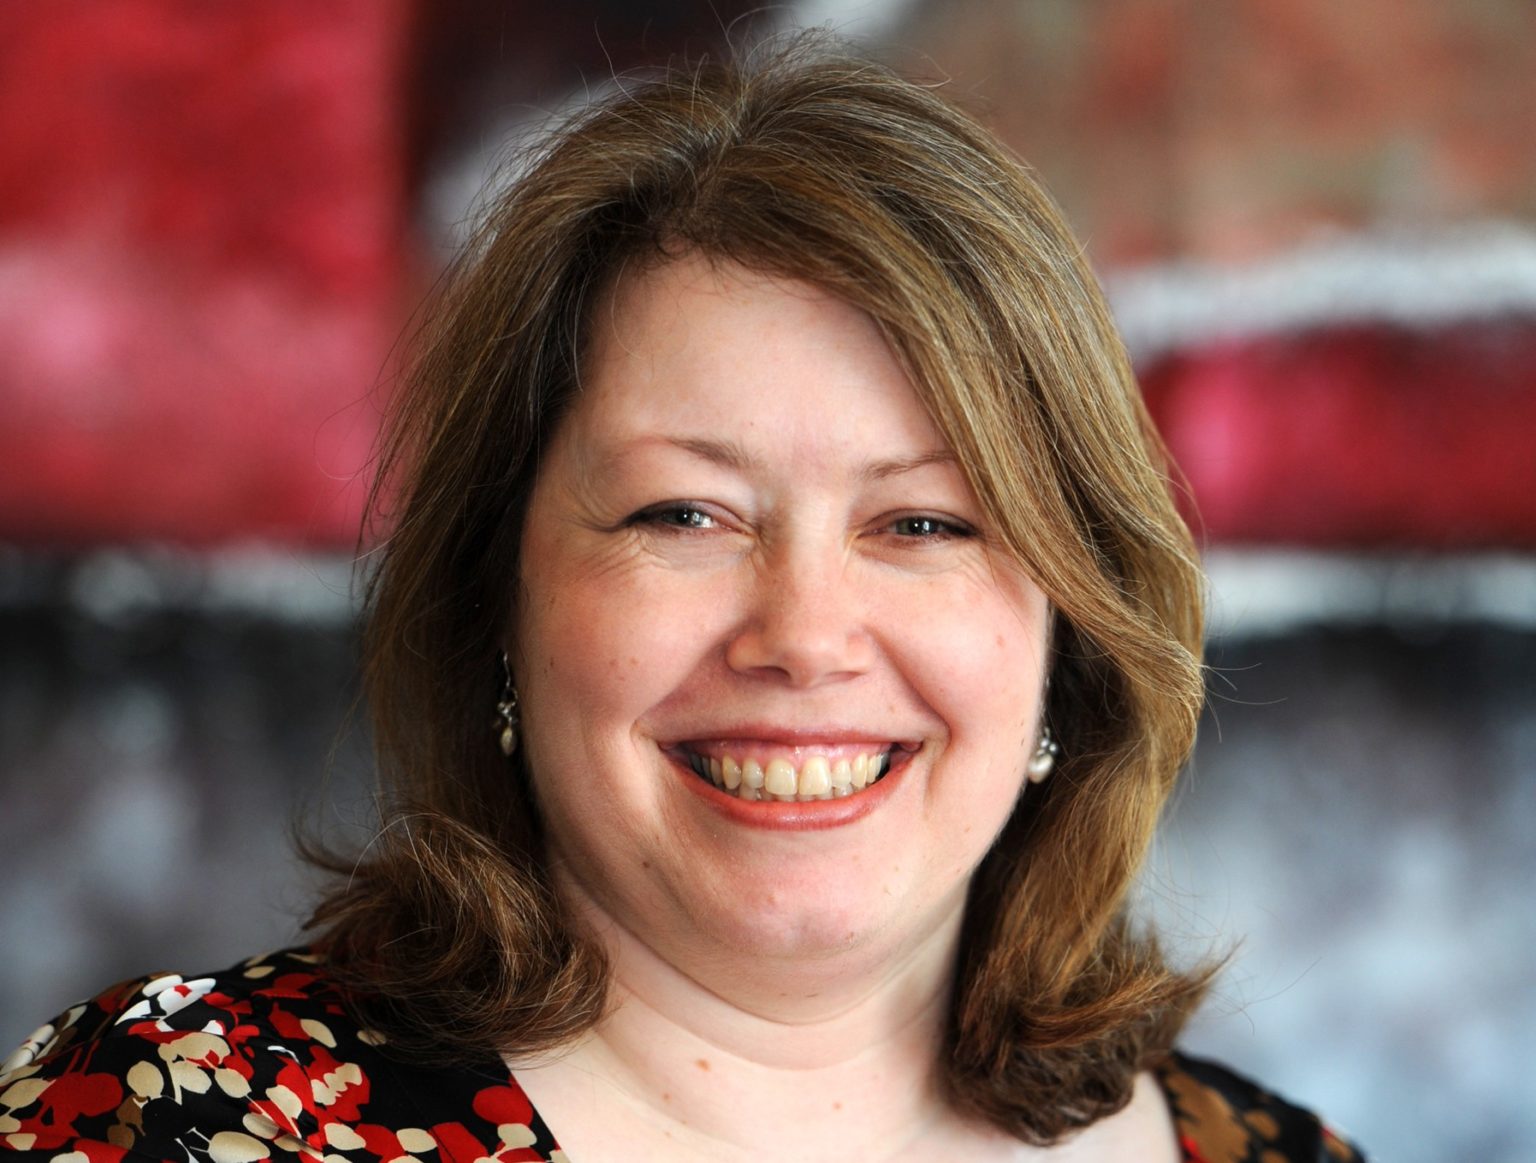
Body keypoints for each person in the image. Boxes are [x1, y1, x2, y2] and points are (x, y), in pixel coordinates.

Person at [0, 37, 1363, 1163]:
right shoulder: (172, 1118)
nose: (805, 636)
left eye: (927, 522)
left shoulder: (1271, 1156)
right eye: (683, 515)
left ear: (1071, 634)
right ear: (502, 600)